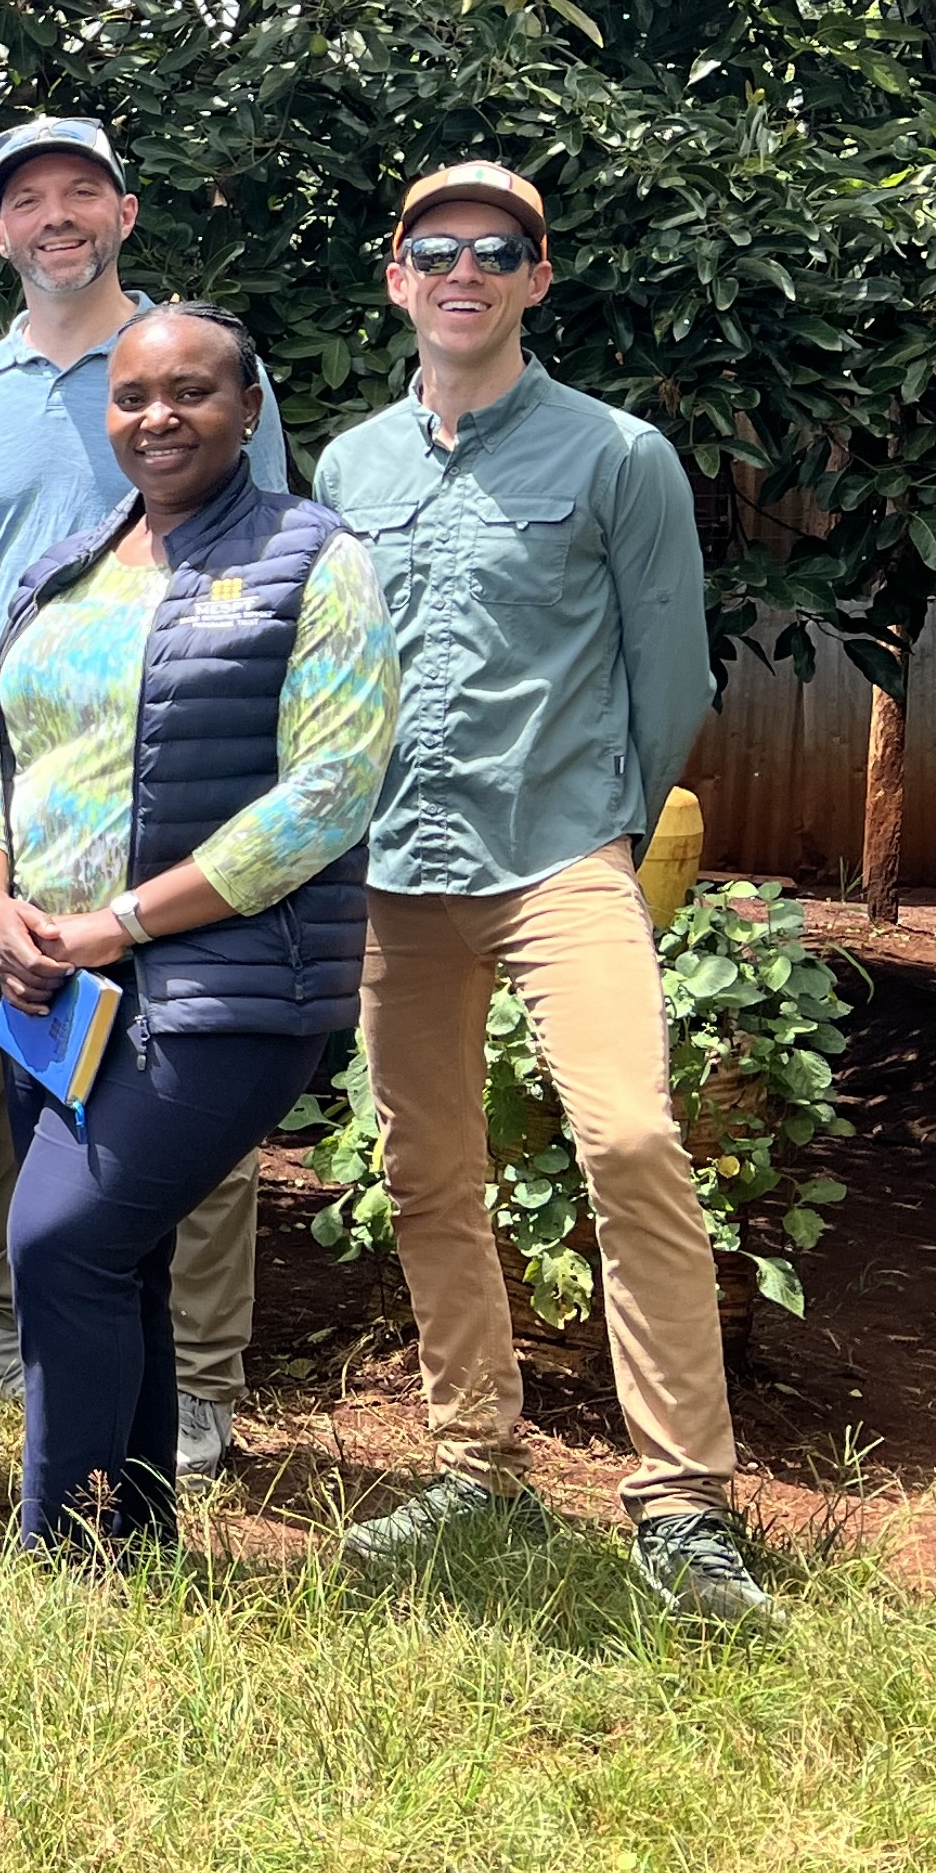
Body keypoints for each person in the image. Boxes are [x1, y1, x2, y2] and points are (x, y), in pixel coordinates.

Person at [315, 164, 763, 1619]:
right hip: (396, 868)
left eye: (494, 250)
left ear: (535, 278)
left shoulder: (618, 455)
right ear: (397, 276)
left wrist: (614, 833)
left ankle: (685, 1503)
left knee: (631, 1138)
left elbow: (671, 671)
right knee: (427, 1171)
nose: (463, 269)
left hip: (562, 854)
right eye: (433, 248)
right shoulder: (347, 471)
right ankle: (473, 1467)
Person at [0, 304, 396, 1556]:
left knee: (58, 1240)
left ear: (249, 408)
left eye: (191, 392)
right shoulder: (71, 568)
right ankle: (124, 1540)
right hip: (50, 990)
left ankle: (60, 1556)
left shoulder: (318, 560)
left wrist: (116, 924)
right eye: (135, 396)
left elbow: (326, 798)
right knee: (116, 1260)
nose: (159, 417)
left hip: (224, 986)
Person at [0, 115, 293, 1469]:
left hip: (179, 779)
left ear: (126, 214)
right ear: (0, 236)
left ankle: (197, 1377)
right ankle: (7, 1328)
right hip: (16, 788)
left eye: (84, 192)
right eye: (31, 201)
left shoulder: (196, 364)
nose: (58, 217)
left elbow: (271, 584)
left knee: (183, 1073)